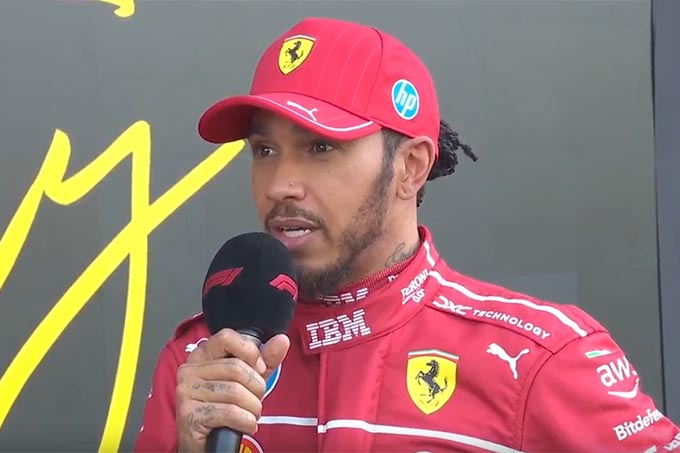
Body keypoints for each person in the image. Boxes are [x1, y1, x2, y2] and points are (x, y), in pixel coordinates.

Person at [134, 16, 680, 453]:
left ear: (411, 167)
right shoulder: (202, 361)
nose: (279, 184)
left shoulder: (541, 357)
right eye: (264, 150)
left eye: (320, 147)